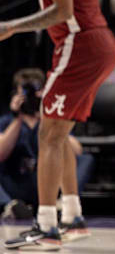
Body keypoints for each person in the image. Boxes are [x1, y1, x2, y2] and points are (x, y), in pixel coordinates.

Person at [0, 0, 115, 251]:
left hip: (79, 43)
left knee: (47, 134)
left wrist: (12, 26)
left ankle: (47, 224)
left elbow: (64, 11)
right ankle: (73, 215)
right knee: (58, 132)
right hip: (93, 43)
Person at [0, 68, 95, 219]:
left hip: (48, 179)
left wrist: (46, 115)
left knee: (86, 160)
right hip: (17, 179)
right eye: (25, 92)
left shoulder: (52, 120)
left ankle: (62, 202)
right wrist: (17, 117)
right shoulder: (7, 120)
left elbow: (76, 150)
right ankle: (9, 205)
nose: (30, 97)